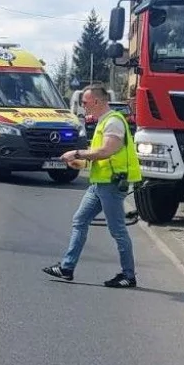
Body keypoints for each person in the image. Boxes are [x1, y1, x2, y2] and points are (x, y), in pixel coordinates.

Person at [42, 84, 141, 288]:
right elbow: (98, 155)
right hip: (99, 183)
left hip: (112, 184)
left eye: (85, 102)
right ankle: (67, 268)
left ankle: (128, 276)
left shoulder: (113, 122)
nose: (82, 106)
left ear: (96, 101)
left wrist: (77, 153)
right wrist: (81, 162)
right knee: (79, 220)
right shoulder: (104, 122)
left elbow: (106, 151)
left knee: (118, 230)